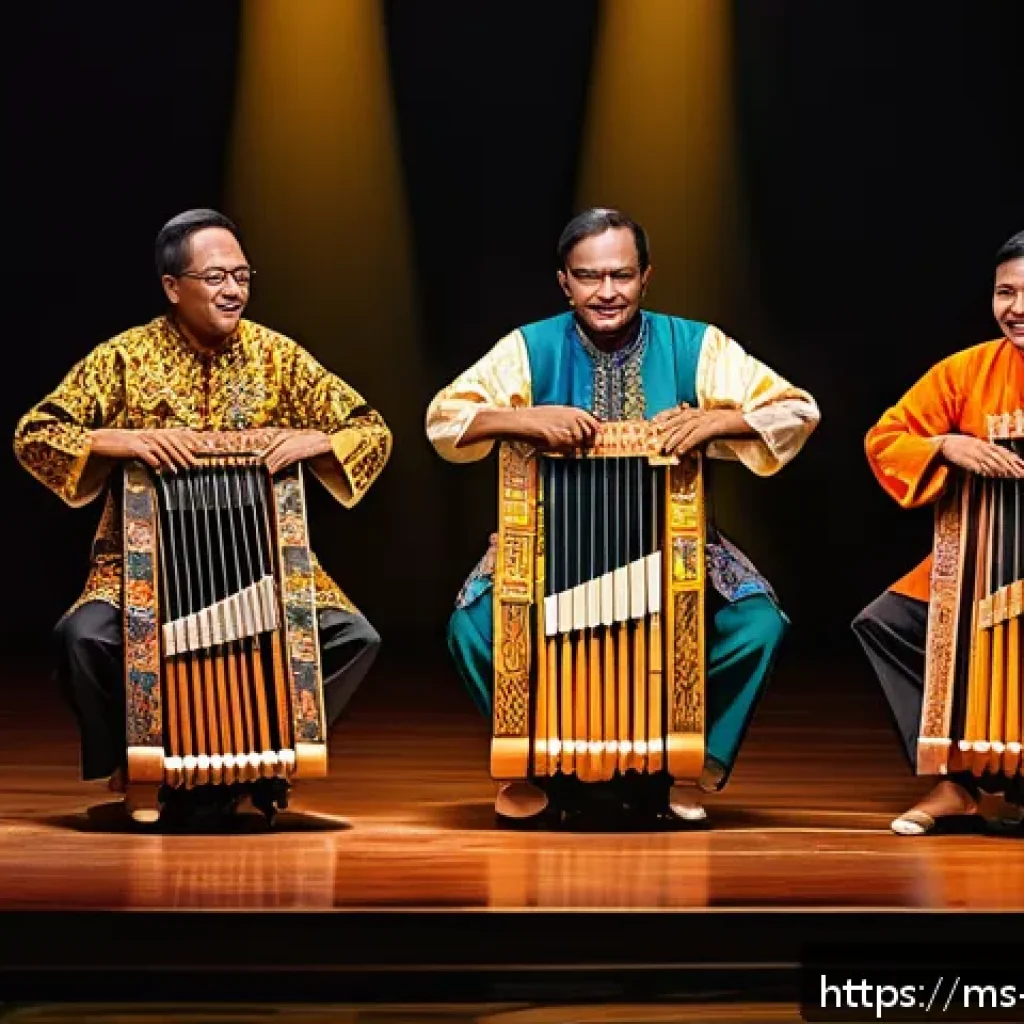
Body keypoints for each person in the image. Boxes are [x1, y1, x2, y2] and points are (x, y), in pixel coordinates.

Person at [425, 207, 820, 825]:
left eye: (621, 275)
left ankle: (686, 763)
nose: (606, 292)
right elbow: (442, 420)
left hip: (671, 547)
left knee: (756, 623)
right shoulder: (528, 348)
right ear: (564, 282)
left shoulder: (694, 344)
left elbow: (797, 411)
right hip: (551, 550)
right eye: (588, 277)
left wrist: (720, 420)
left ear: (646, 276)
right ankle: (529, 763)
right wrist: (523, 419)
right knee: (473, 626)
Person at [14, 208, 390, 825]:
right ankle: (140, 768)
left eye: (241, 276)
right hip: (147, 567)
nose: (233, 290)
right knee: (84, 640)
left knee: (352, 637)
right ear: (173, 287)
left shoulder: (278, 358)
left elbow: (368, 428)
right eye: (215, 277)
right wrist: (119, 440)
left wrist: (316, 442)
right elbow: (36, 433)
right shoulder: (125, 358)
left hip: (260, 565)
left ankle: (261, 760)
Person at [853, 229, 1024, 836]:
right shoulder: (966, 370)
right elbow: (886, 439)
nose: (1017, 308)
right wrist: (946, 445)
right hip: (980, 566)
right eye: (1006, 292)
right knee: (888, 620)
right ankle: (957, 782)